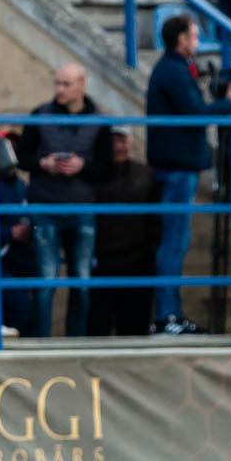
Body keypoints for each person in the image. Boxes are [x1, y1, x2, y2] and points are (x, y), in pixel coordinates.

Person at [144, 16, 231, 337]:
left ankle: (171, 313)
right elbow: (193, 113)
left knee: (177, 241)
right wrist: (228, 103)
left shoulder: (175, 68)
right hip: (177, 167)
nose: (198, 42)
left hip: (181, 165)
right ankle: (166, 316)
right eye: (195, 36)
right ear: (181, 40)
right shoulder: (172, 70)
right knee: (174, 242)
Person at [12, 60, 113, 339]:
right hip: (45, 207)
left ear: (82, 85)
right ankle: (44, 343)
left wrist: (83, 167)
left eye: (66, 84)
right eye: (57, 83)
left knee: (81, 282)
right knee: (46, 283)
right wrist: (43, 164)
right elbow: (20, 157)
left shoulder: (99, 122)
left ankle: (76, 341)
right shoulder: (40, 115)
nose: (60, 89)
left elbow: (107, 169)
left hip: (82, 209)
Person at [85, 127, 158, 338]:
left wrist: (150, 249)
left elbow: (156, 218)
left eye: (123, 141)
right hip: (101, 263)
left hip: (138, 261)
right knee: (97, 328)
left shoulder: (145, 174)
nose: (119, 147)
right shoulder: (93, 174)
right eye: (114, 141)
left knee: (136, 327)